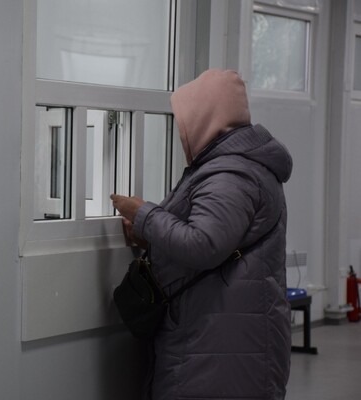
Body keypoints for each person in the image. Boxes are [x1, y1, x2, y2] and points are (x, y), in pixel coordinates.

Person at [111, 69, 292, 400]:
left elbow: (205, 245)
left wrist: (143, 214)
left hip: (220, 347)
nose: (182, 132)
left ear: (206, 118)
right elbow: (218, 239)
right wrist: (151, 238)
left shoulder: (231, 175)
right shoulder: (233, 168)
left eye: (185, 120)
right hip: (223, 339)